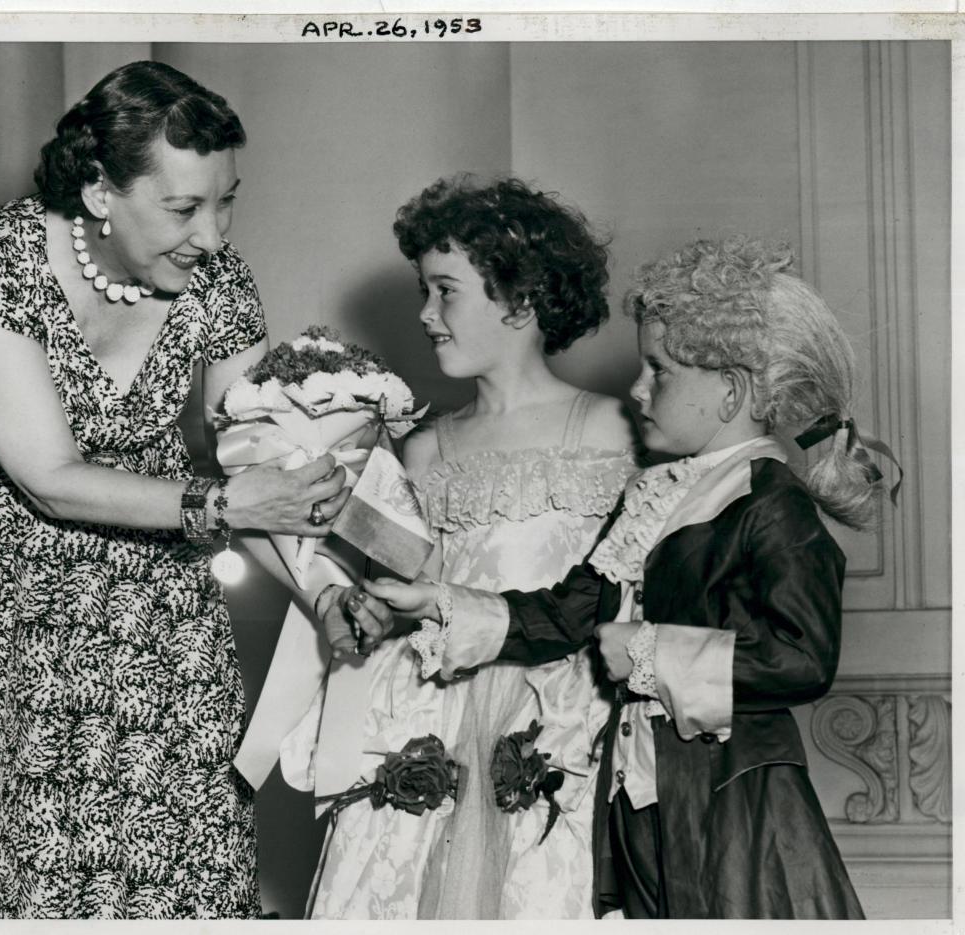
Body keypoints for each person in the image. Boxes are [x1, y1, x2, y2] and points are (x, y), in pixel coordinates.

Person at [0, 60, 349, 919]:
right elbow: (49, 478)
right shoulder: (7, 257)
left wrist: (321, 593)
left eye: (227, 200)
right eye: (182, 207)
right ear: (101, 190)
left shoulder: (219, 283)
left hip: (144, 598)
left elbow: (258, 470)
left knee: (176, 839)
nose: (211, 235)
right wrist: (219, 504)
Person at [363, 235, 880, 919]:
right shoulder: (655, 496)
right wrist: (445, 602)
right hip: (642, 804)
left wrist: (647, 650)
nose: (638, 389)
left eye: (658, 371)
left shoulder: (772, 504)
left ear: (731, 389)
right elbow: (570, 610)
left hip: (733, 803)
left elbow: (804, 657)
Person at [294, 176, 637, 918]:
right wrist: (364, 608)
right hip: (431, 721)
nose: (424, 314)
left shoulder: (613, 432)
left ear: (521, 298)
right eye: (425, 290)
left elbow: (623, 595)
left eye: (445, 291)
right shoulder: (418, 453)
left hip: (557, 718)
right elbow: (375, 593)